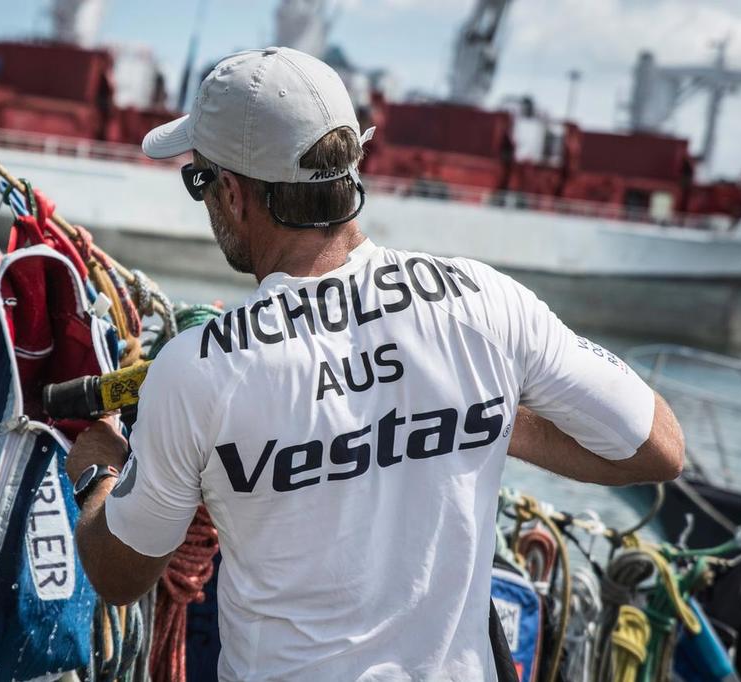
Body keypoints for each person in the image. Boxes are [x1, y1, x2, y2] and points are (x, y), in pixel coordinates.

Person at [64, 47, 685, 681]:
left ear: (232, 192)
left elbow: (120, 575)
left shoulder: (199, 368)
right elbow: (657, 447)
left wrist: (98, 474)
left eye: (199, 181)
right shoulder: (484, 302)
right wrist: (480, 413)